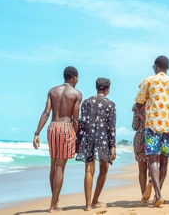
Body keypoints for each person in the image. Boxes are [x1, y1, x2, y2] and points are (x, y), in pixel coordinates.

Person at [33, 66, 82, 213]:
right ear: (74, 77)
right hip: (66, 127)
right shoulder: (76, 94)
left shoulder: (52, 91)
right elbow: (75, 119)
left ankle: (55, 198)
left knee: (53, 165)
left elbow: (46, 112)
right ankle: (53, 205)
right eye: (77, 78)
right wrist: (77, 137)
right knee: (61, 166)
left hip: (52, 127)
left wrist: (37, 133)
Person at [134, 55, 169, 207]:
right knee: (164, 162)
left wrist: (142, 106)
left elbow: (139, 101)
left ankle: (158, 195)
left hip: (153, 124)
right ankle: (157, 194)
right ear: (167, 67)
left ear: (156, 66)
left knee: (153, 160)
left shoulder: (148, 80)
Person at [76, 77, 116, 211]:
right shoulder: (110, 104)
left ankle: (87, 205)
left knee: (88, 170)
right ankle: (94, 201)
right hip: (103, 139)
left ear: (96, 87)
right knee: (103, 170)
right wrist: (113, 146)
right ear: (108, 89)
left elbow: (81, 124)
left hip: (88, 137)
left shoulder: (86, 102)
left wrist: (78, 141)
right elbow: (111, 127)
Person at [131, 103, 153, 203]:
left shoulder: (137, 106)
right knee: (153, 165)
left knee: (142, 169)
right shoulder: (154, 103)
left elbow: (135, 126)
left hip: (139, 137)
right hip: (151, 136)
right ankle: (151, 182)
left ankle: (144, 195)